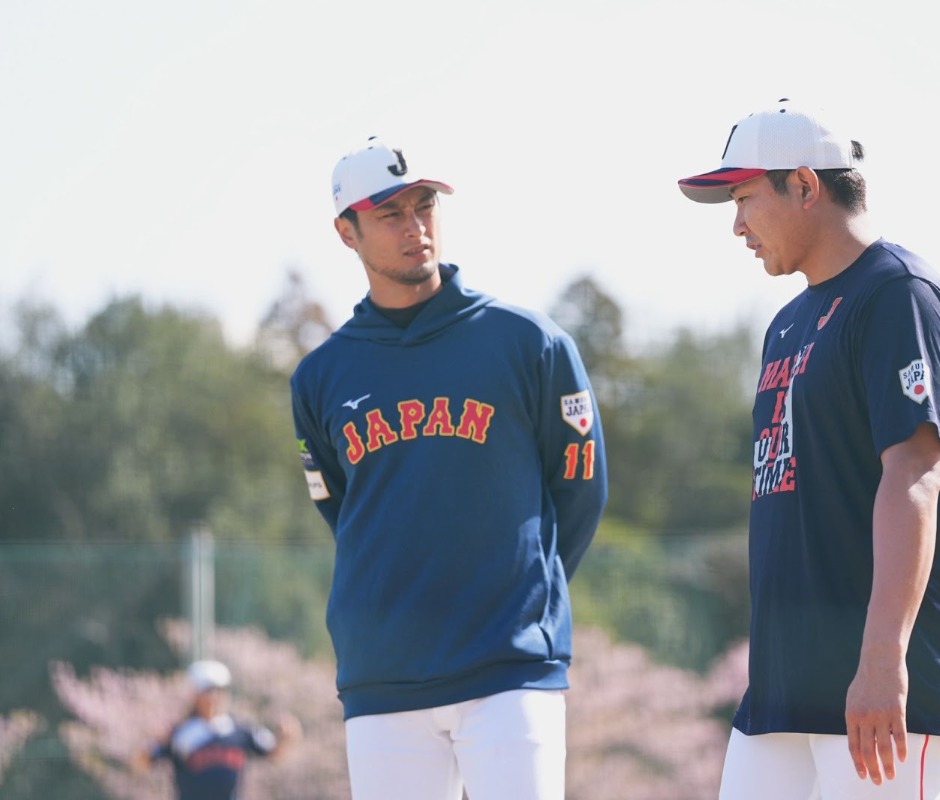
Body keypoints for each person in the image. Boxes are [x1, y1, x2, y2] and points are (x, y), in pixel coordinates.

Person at [677, 99, 940, 798]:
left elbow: (914, 473)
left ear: (806, 185)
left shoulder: (896, 294)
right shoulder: (789, 321)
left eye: (745, 197)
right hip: (786, 684)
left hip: (878, 686)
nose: (736, 224)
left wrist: (882, 658)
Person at [290, 136, 608, 800]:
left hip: (510, 665)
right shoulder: (320, 376)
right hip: (383, 676)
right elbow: (342, 509)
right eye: (390, 214)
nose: (416, 228)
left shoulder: (530, 343)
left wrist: (524, 596)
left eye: (425, 205)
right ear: (346, 232)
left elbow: (579, 489)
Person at [132, 659, 300, 800]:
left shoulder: (240, 729)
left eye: (220, 690)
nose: (215, 697)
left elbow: (274, 754)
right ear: (196, 694)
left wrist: (286, 739)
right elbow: (140, 764)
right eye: (209, 691)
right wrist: (153, 743)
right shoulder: (180, 733)